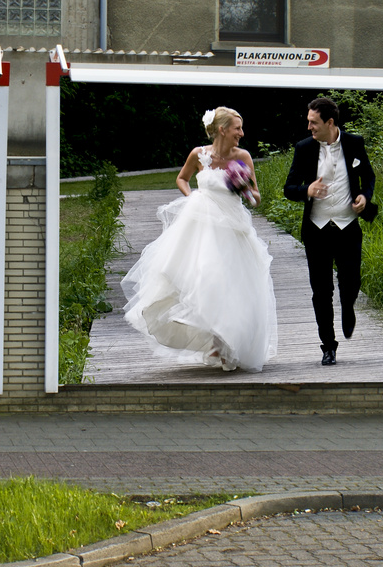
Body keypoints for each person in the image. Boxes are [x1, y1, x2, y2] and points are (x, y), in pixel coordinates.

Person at [119, 106, 278, 372]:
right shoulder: (199, 154)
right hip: (201, 225)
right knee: (204, 278)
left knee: (231, 284)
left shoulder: (243, 156)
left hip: (232, 227)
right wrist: (191, 196)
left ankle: (227, 343)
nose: (242, 133)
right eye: (237, 128)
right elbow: (182, 179)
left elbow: (256, 198)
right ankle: (215, 341)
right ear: (222, 129)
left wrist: (244, 188)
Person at [283, 96, 375, 366]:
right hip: (317, 230)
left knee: (351, 283)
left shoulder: (354, 143)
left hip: (348, 226)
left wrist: (365, 198)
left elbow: (368, 176)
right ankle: (328, 346)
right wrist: (306, 190)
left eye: (314, 122)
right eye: (309, 122)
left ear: (330, 122)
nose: (309, 127)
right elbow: (289, 188)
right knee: (321, 291)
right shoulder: (304, 149)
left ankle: (349, 308)